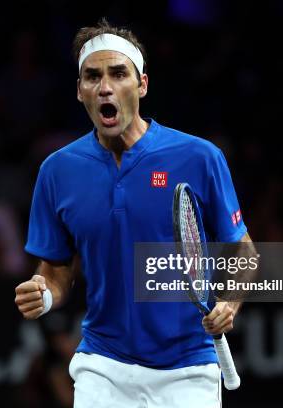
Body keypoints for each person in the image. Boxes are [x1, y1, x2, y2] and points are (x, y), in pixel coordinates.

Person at [15, 18, 255, 407]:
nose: (105, 86)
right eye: (92, 77)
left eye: (118, 73)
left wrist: (229, 302)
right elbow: (57, 269)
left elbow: (242, 251)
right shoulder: (56, 171)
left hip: (187, 367)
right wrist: (44, 293)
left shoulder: (199, 157)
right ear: (80, 92)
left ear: (141, 84)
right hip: (103, 365)